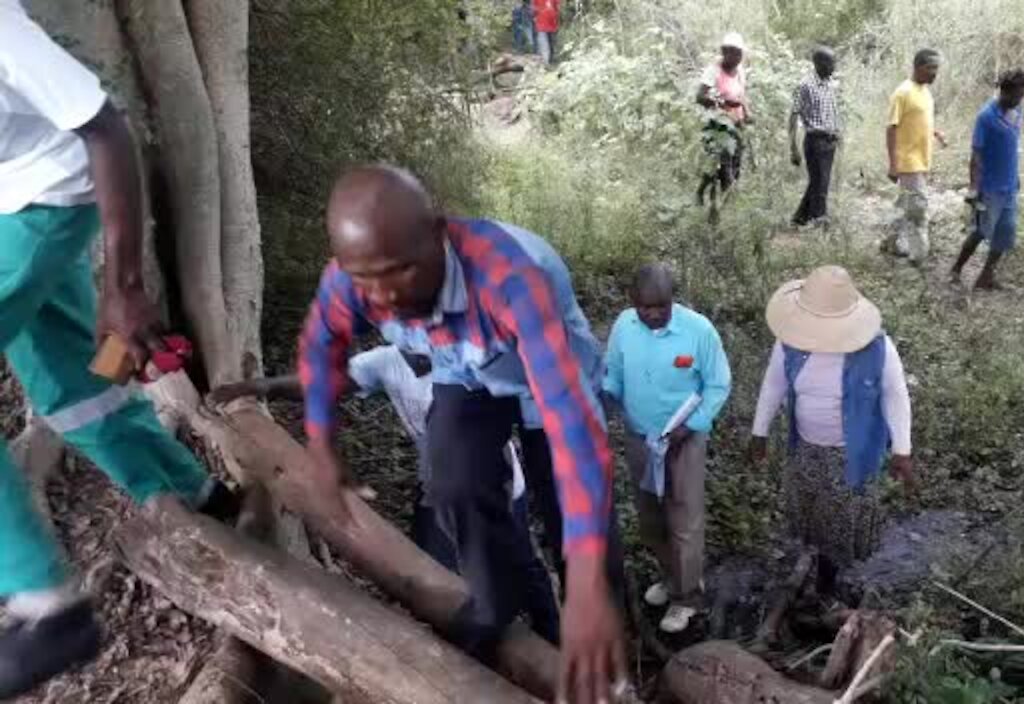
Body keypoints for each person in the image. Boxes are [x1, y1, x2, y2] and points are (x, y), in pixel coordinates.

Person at [298, 166, 624, 703]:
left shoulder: (511, 277)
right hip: (467, 370)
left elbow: (574, 431)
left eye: (399, 271)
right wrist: (320, 442)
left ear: (438, 234)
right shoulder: (353, 280)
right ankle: (495, 600)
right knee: (452, 475)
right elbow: (320, 346)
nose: (382, 296)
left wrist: (588, 584)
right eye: (365, 279)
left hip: (545, 371)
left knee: (579, 526)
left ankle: (608, 655)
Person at [0, 4, 238, 696]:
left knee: (79, 372)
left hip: (49, 199)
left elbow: (105, 129)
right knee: (74, 384)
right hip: (14, 204)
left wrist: (125, 286)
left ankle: (46, 608)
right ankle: (189, 491)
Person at [210, 345, 561, 644]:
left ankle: (552, 638)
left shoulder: (469, 360)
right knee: (431, 568)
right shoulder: (388, 362)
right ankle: (459, 646)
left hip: (493, 484)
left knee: (521, 562)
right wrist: (262, 386)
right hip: (438, 486)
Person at [750, 266, 916, 589]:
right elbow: (774, 384)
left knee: (840, 518)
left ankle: (829, 581)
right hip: (806, 447)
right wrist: (759, 432)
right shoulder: (789, 343)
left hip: (850, 454)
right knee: (810, 508)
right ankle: (815, 556)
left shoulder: (878, 348)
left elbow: (896, 395)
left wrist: (902, 451)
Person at [602, 264, 731, 634]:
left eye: (662, 306)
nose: (655, 314)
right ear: (632, 302)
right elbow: (612, 373)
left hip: (684, 440)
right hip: (640, 438)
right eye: (646, 307)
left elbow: (718, 384)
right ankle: (670, 577)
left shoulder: (699, 331)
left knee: (684, 520)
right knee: (650, 518)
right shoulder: (623, 326)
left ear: (674, 300)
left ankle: (688, 597)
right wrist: (605, 401)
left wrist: (690, 427)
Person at [951, 69, 1024, 291]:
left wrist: (1017, 176)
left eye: (1021, 96)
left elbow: (1012, 146)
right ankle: (956, 269)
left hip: (1009, 186)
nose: (1018, 100)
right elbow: (975, 155)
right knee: (981, 231)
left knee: (1005, 233)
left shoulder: (1017, 110)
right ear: (1004, 91)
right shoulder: (985, 117)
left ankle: (986, 276)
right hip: (990, 188)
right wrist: (974, 187)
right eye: (1015, 96)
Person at [882, 48, 947, 265]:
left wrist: (935, 133)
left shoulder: (925, 92)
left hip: (922, 159)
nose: (934, 73)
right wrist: (893, 164)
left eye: (936, 68)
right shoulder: (902, 93)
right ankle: (919, 256)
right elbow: (891, 129)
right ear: (918, 67)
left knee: (906, 205)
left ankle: (890, 242)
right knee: (919, 209)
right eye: (931, 68)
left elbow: (919, 122)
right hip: (908, 161)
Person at [695, 32, 750, 208]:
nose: (738, 58)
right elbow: (700, 97)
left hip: (736, 123)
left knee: (735, 165)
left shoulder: (740, 71)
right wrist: (724, 103)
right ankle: (725, 207)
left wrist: (746, 114)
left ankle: (708, 194)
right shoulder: (714, 71)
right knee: (722, 166)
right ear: (725, 52)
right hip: (717, 125)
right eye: (734, 53)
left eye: (740, 54)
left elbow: (742, 95)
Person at [790, 46, 842, 228]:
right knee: (821, 185)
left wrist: (837, 133)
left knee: (819, 181)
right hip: (815, 141)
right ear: (819, 63)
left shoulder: (829, 83)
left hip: (830, 141)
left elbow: (831, 112)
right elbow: (794, 115)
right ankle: (819, 222)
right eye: (831, 63)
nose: (834, 67)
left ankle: (799, 217)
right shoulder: (805, 85)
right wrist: (793, 148)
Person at [533, 0, 560, 64]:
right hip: (542, 24)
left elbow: (558, 7)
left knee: (551, 44)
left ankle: (550, 60)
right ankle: (546, 62)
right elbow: (534, 8)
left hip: (551, 24)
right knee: (544, 44)